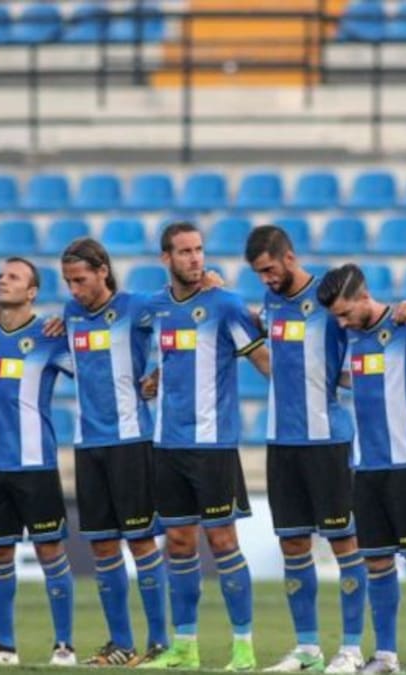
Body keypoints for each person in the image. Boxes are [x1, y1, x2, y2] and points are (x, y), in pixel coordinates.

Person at [139, 222, 270, 672]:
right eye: (185, 251)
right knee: (177, 542)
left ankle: (244, 647)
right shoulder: (156, 308)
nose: (195, 258)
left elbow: (263, 359)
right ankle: (185, 647)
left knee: (222, 540)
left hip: (213, 445)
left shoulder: (226, 304)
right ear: (166, 259)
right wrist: (156, 378)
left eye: (199, 250)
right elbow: (170, 355)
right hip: (167, 444)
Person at [243, 226, 366, 674]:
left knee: (344, 542)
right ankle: (308, 649)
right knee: (293, 544)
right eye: (259, 273)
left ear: (290, 257)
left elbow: (367, 332)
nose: (267, 279)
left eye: (271, 269)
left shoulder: (330, 299)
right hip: (282, 440)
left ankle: (351, 648)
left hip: (327, 439)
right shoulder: (270, 303)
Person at [60, 238, 170, 667]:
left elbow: (186, 324)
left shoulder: (138, 307)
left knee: (142, 543)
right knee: (103, 547)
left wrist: (160, 372)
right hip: (89, 445)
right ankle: (120, 643)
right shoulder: (69, 315)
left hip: (131, 442)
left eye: (80, 280)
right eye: (68, 282)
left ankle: (159, 641)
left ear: (102, 270)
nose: (74, 290)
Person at [317, 263, 406, 675]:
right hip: (367, 466)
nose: (342, 323)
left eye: (346, 313)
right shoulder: (350, 336)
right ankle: (385, 656)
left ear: (365, 297)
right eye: (337, 318)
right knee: (378, 562)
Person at [0, 257, 79, 666]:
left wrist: (69, 325)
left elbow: (89, 371)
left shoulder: (48, 336)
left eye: (13, 277)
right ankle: (5, 647)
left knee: (50, 553)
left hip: (37, 466)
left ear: (31, 292)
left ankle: (65, 645)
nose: (2, 280)